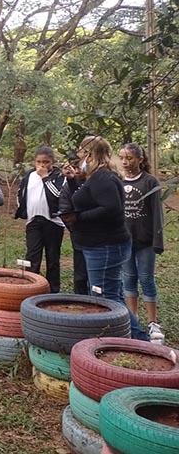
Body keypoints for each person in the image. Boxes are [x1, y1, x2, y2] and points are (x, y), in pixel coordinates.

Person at [62, 136, 149, 341]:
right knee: (112, 295)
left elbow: (112, 208)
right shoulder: (94, 177)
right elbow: (85, 199)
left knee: (105, 297)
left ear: (90, 154)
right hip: (99, 245)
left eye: (81, 152)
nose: (79, 155)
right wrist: (74, 180)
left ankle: (139, 340)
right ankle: (132, 337)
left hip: (106, 246)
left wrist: (79, 218)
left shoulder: (102, 177)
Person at [119, 142, 165, 344]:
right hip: (124, 241)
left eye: (129, 158)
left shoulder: (150, 182)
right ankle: (133, 319)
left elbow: (157, 213)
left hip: (145, 241)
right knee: (128, 279)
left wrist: (158, 240)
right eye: (122, 158)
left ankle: (153, 322)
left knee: (146, 278)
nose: (125, 162)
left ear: (140, 159)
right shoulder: (118, 181)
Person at [14, 146, 65, 293]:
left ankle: (53, 290)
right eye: (39, 162)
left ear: (53, 162)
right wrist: (23, 210)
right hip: (33, 221)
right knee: (32, 256)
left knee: (53, 258)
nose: (42, 165)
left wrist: (45, 177)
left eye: (46, 162)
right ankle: (31, 288)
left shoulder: (58, 176)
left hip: (53, 222)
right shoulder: (29, 175)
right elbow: (21, 193)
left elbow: (57, 196)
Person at [59, 142, 92, 295]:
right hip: (78, 237)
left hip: (98, 237)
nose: (78, 171)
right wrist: (75, 228)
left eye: (80, 167)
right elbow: (65, 210)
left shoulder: (95, 183)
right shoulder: (68, 187)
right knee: (80, 275)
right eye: (75, 168)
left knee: (96, 277)